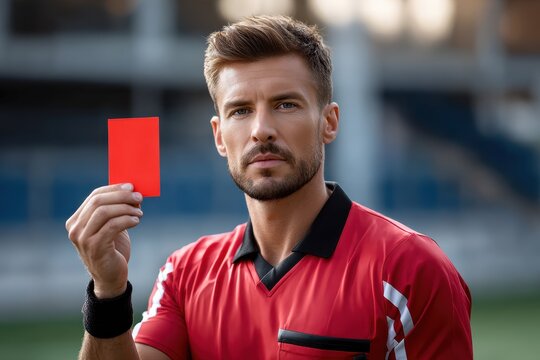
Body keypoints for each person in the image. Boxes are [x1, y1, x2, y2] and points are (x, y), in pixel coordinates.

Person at [66, 15, 473, 360]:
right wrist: (108, 291)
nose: (261, 130)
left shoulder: (410, 269)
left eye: (285, 104)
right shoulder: (184, 273)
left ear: (329, 122)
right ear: (219, 136)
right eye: (240, 111)